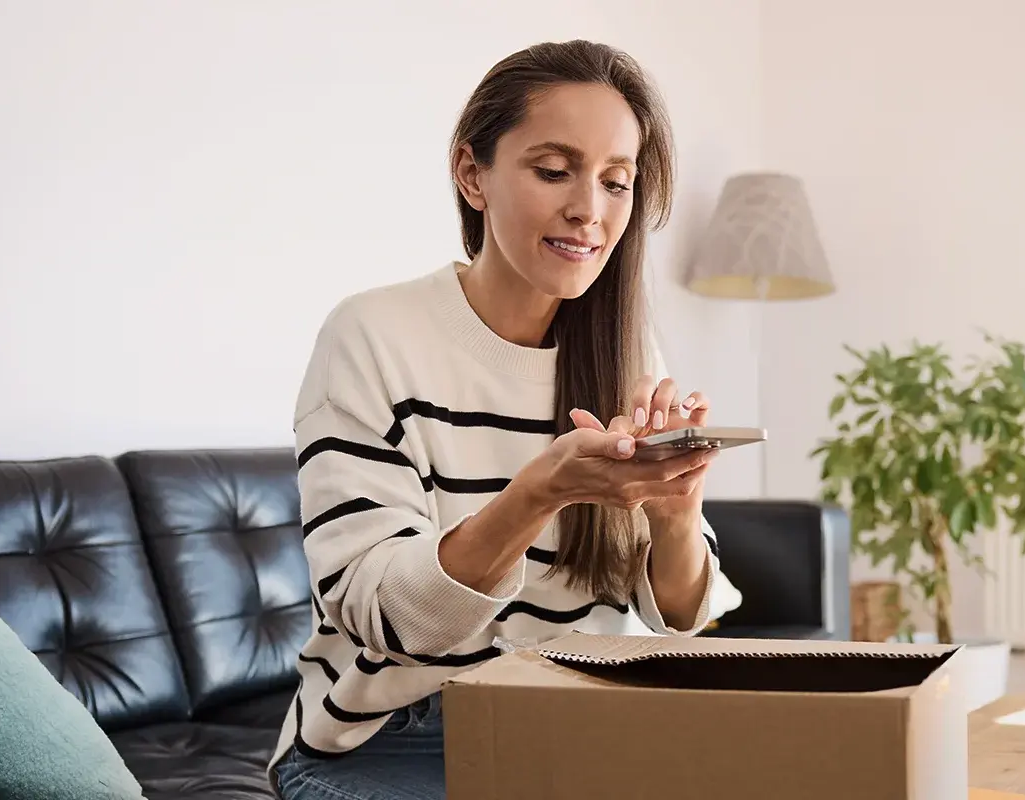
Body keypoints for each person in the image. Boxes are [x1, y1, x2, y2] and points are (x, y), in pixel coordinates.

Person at [268, 39, 729, 800]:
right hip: (400, 734)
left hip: (591, 720)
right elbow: (383, 617)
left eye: (617, 182)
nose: (589, 209)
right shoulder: (373, 336)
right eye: (553, 171)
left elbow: (678, 615)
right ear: (470, 173)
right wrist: (534, 495)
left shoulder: (625, 346)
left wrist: (677, 516)